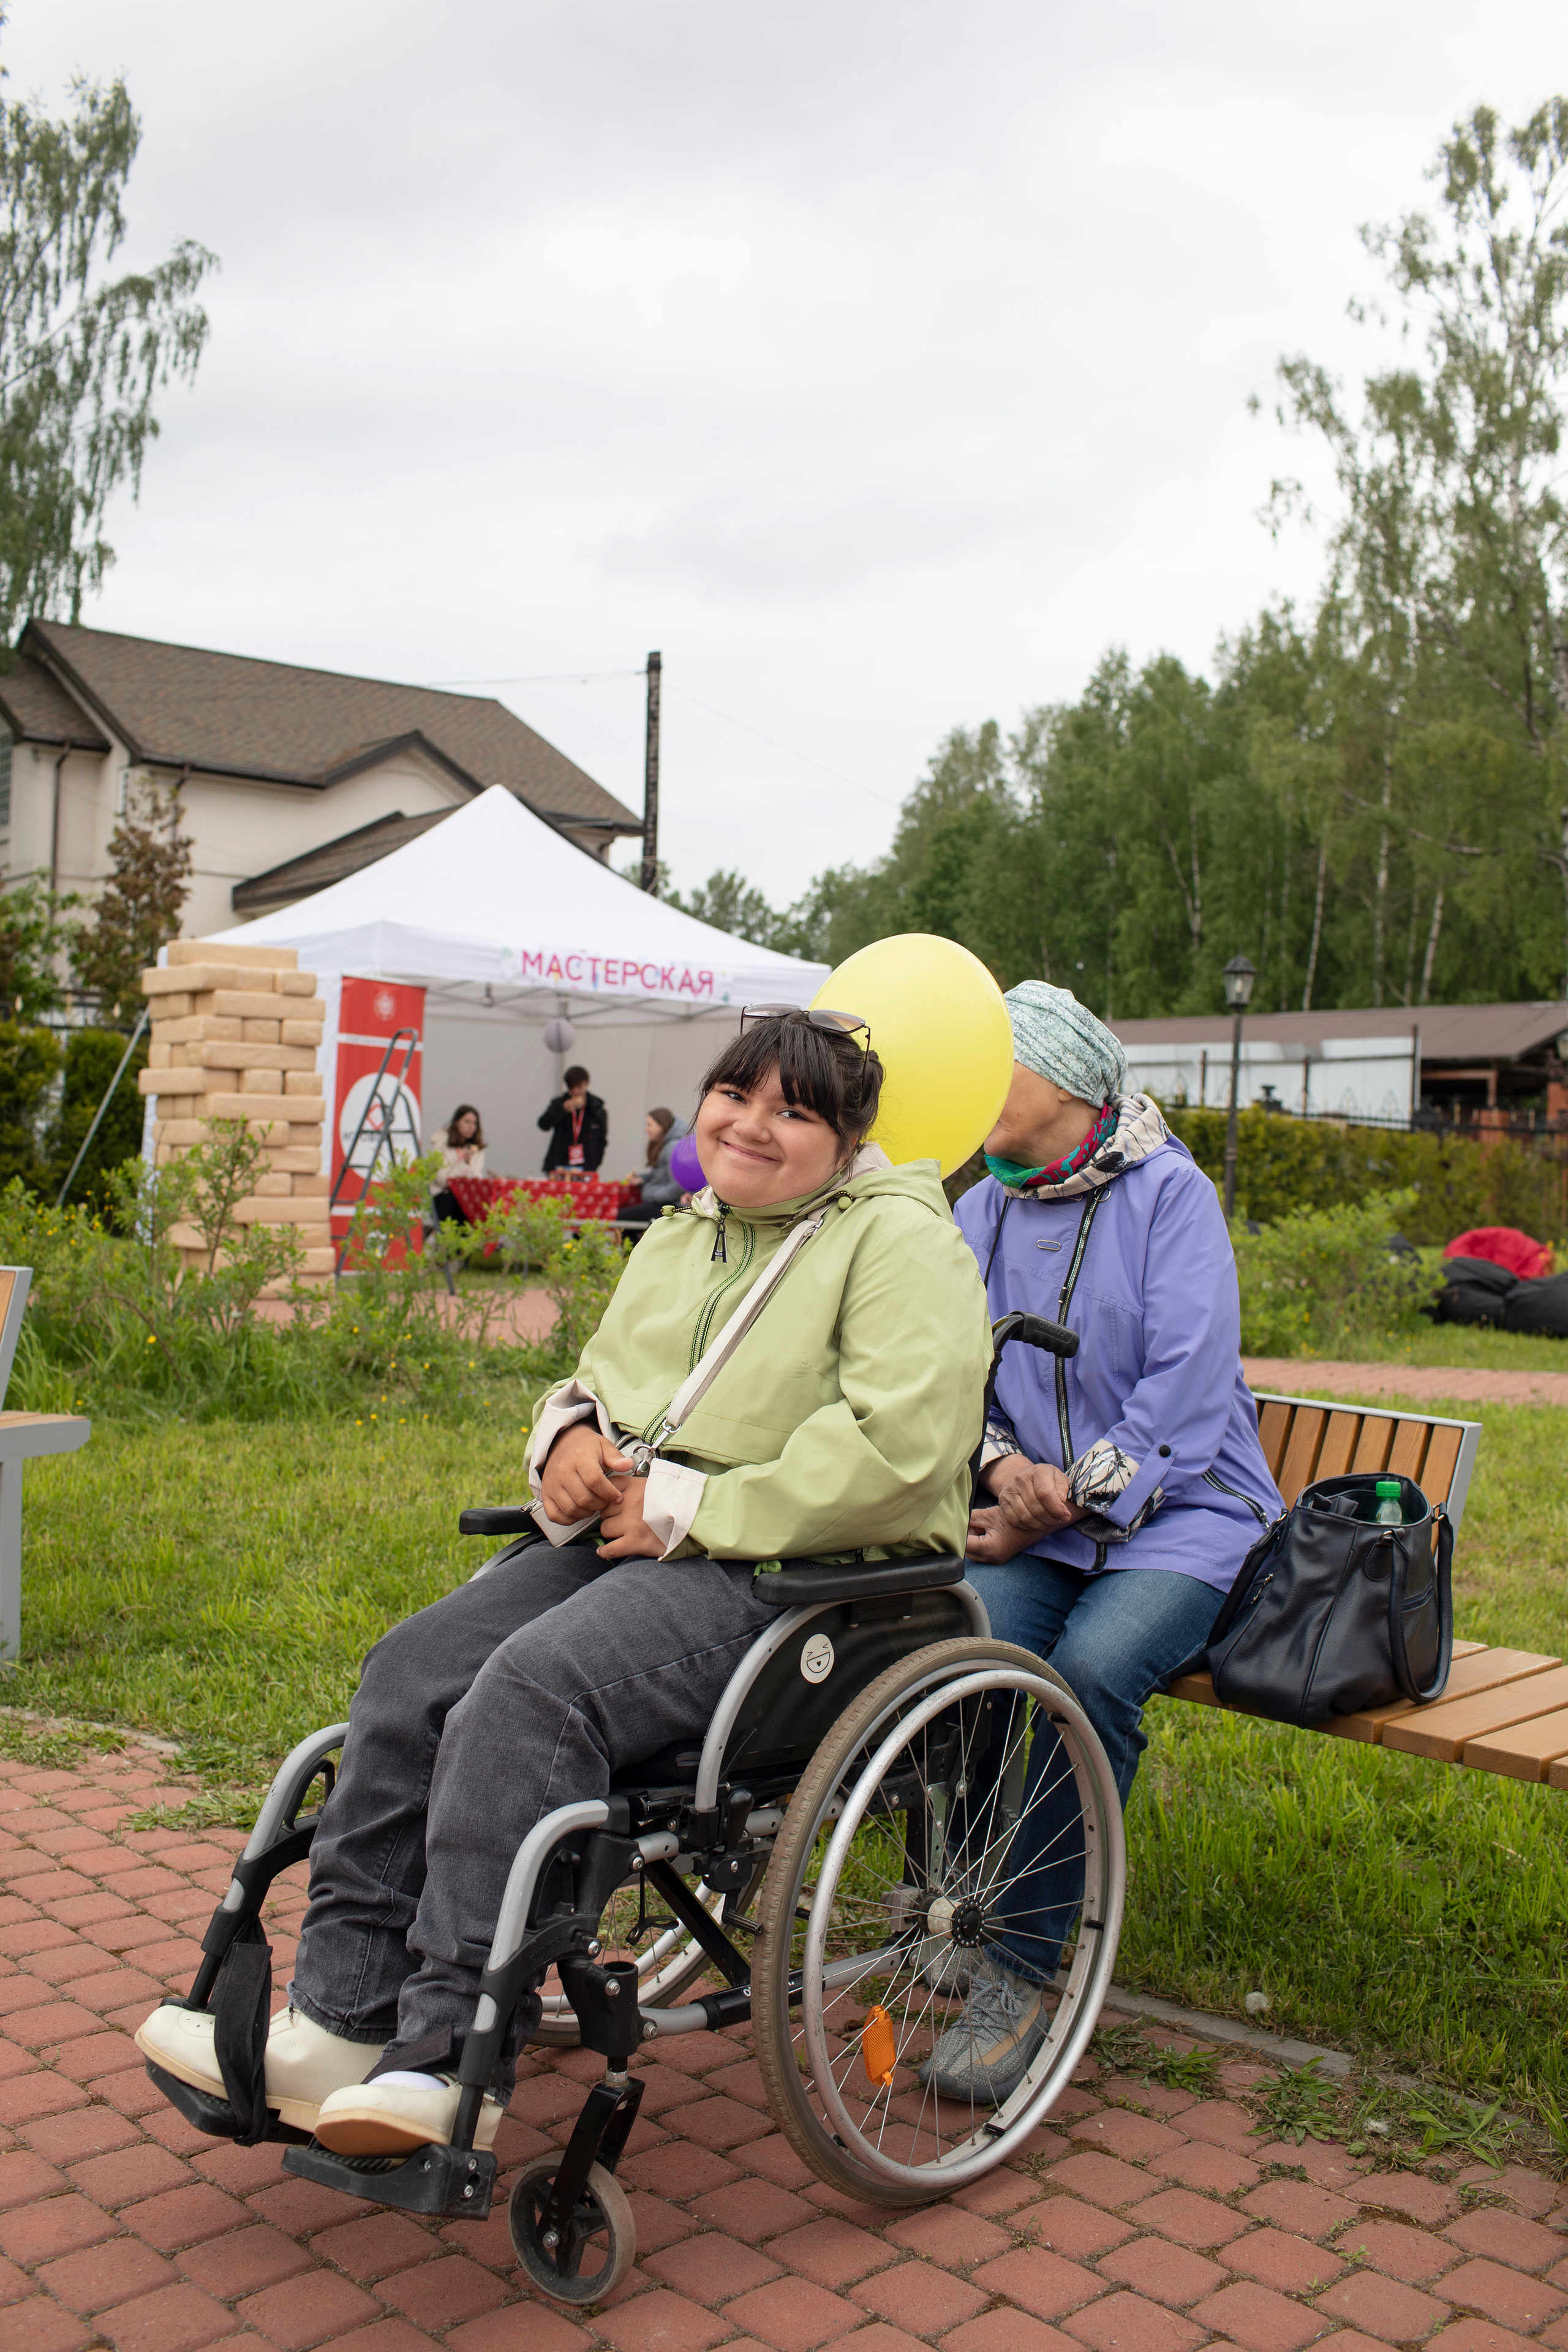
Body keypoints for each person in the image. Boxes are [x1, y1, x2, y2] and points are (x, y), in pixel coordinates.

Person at [137, 1009, 992, 2155]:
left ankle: (447, 2054)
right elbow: (601, 1381)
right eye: (738, 1095)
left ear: (845, 1141)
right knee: (412, 1667)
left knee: (535, 1690)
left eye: (797, 1111)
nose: (754, 1124)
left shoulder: (897, 1242)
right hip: (631, 1536)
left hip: (789, 1571)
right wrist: (568, 1441)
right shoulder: (684, 1233)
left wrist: (694, 1505)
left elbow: (902, 1451)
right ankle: (342, 2021)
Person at [922, 980, 1283, 2106]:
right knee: (956, 1646)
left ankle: (1025, 1971)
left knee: (1086, 1676)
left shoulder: (1174, 1197)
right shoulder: (977, 1207)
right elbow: (946, 1371)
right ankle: (962, 1898)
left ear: (1072, 1089)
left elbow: (1186, 1391)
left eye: (999, 1071)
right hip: (1040, 1520)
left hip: (1191, 1520)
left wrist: (1061, 1496)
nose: (976, 1093)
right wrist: (999, 1471)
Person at [619, 1105, 688, 1229]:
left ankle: (632, 1249)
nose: (646, 1129)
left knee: (623, 1218)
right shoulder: (666, 1144)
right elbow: (660, 1175)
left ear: (661, 1126)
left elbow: (679, 1185)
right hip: (662, 1202)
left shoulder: (672, 1148)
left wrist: (653, 1195)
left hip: (670, 1206)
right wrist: (643, 1179)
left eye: (650, 1125)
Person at [538, 1065, 607, 1175]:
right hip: (559, 1165)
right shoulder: (560, 1103)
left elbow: (602, 1141)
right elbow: (543, 1125)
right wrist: (561, 1110)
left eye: (579, 1087)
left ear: (587, 1083)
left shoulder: (597, 1110)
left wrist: (594, 1165)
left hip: (586, 1168)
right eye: (571, 1088)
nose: (575, 1092)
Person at [429, 1104, 486, 1227]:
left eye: (474, 1123)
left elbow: (476, 1177)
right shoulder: (441, 1144)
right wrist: (464, 1164)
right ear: (456, 1122)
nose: (471, 1127)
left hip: (468, 1198)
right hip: (445, 1197)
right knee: (456, 1203)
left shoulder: (477, 1148)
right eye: (467, 1122)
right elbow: (442, 1180)